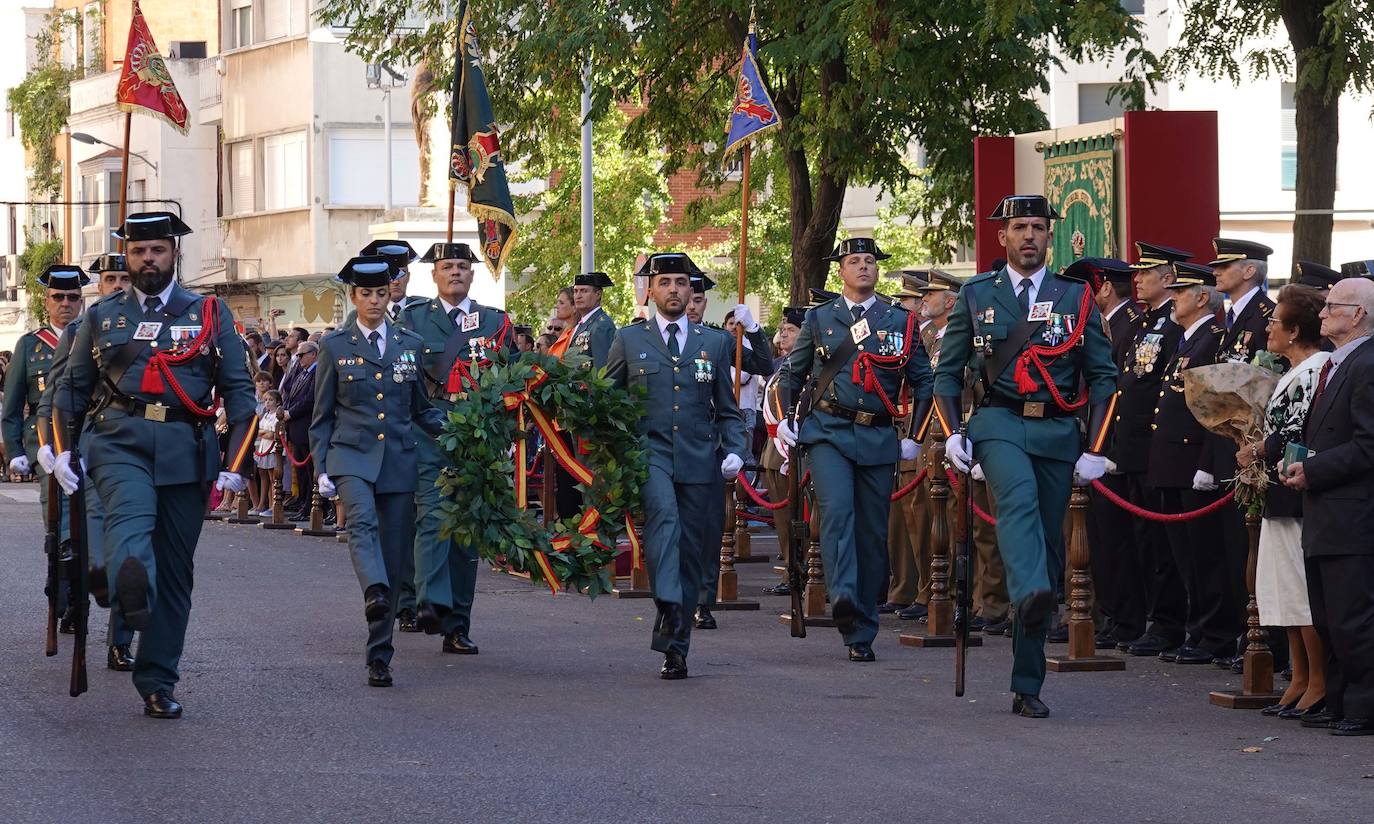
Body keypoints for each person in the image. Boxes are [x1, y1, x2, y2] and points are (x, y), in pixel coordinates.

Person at [51, 211, 257, 719]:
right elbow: (70, 392)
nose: (148, 259)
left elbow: (240, 392)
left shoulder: (209, 312)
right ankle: (123, 587)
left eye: (157, 250)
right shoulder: (100, 316)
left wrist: (235, 463)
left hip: (188, 451)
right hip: (119, 442)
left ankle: (157, 678)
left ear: (174, 254)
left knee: (175, 571)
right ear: (127, 255)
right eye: (139, 251)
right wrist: (59, 451)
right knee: (130, 525)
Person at [933, 197, 1116, 718]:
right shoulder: (975, 294)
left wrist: (1095, 450)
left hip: (1057, 430)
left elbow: (1104, 379)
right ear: (1003, 238)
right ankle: (1032, 589)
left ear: (1049, 236)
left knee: (1050, 546)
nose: (1029, 235)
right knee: (1016, 501)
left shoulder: (1075, 295)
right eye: (1020, 227)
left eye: (1038, 227)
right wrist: (952, 434)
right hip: (999, 423)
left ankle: (1026, 679)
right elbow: (948, 374)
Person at [777, 237, 934, 663]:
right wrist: (789, 422)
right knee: (837, 514)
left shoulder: (900, 321)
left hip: (879, 436)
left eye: (869, 261)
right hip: (828, 431)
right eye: (854, 261)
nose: (863, 267)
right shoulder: (820, 318)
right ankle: (843, 595)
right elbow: (793, 373)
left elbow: (924, 381)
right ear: (840, 271)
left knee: (871, 533)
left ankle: (862, 627)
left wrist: (914, 437)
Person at [604, 252, 747, 679]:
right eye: (664, 282)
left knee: (693, 554)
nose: (673, 289)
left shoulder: (715, 343)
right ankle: (668, 599)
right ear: (651, 290)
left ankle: (676, 645)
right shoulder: (629, 340)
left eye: (681, 283)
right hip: (650, 453)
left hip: (701, 459)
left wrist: (736, 449)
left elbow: (727, 409)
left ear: (691, 291)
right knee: (664, 521)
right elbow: (606, 399)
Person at [311, 255, 445, 688]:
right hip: (351, 457)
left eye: (381, 293)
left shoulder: (408, 342)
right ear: (353, 296)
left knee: (393, 554)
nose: (373, 300)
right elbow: (322, 416)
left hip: (399, 462)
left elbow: (422, 411)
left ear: (390, 295)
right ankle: (374, 590)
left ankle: (379, 654)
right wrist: (320, 468)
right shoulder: (335, 346)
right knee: (362, 524)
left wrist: (465, 433)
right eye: (365, 293)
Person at [397, 241, 514, 651]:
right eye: (447, 267)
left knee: (467, 530)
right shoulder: (412, 321)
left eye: (463, 267)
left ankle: (458, 625)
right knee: (432, 515)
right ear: (434, 275)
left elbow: (510, 379)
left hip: (478, 438)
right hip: (430, 434)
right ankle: (430, 601)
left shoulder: (493, 322)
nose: (455, 273)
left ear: (472, 274)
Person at [1281, 277, 1374, 735]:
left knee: (1352, 616)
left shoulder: (1368, 363)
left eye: (1332, 306)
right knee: (1328, 615)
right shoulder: (1341, 363)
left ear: (1357, 314)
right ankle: (1339, 701)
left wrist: (1313, 470)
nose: (1321, 314)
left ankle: (1363, 706)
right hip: (1327, 510)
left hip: (1353, 514)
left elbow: (1368, 444)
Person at [34, 255, 137, 670]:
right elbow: (54, 399)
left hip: (142, 451)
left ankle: (121, 641)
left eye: (122, 278)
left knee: (133, 547)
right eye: (109, 278)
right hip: (94, 454)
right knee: (98, 550)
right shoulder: (78, 330)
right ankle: (82, 603)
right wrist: (53, 448)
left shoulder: (162, 329)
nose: (116, 285)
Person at [1234, 284, 1329, 716]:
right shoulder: (1292, 368)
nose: (1267, 327)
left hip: (1296, 487)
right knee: (1282, 591)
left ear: (1293, 331)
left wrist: (1256, 450)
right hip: (1278, 488)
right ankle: (1298, 677)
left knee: (1300, 591)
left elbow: (1296, 431)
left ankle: (1318, 681)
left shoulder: (1315, 369)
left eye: (1274, 321)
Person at [1147, 263, 1234, 665]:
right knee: (1184, 556)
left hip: (1193, 462)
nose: (1174, 298)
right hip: (1171, 460)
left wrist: (1206, 462)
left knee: (1204, 556)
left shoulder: (1212, 340)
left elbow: (1218, 410)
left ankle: (1213, 633)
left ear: (1201, 299)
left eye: (1181, 292)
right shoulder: (1186, 341)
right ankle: (1197, 628)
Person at [1201, 237, 1276, 672]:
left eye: (1224, 265)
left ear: (1250, 271)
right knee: (1231, 550)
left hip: (1255, 448)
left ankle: (1261, 639)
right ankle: (1239, 635)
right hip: (1229, 446)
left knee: (1250, 548)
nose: (1215, 272)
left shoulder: (1266, 316)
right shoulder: (1226, 319)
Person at [1113, 242, 1189, 659]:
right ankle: (1149, 619)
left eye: (1145, 273)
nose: (1136, 280)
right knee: (1142, 542)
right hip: (1132, 447)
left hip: (1152, 446)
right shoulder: (1144, 324)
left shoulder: (1173, 325)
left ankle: (1167, 623)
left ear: (1169, 278)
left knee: (1160, 545)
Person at [690, 268, 774, 629]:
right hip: (669, 445)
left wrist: (752, 331)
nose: (690, 304)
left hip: (710, 443)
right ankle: (676, 597)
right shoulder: (647, 340)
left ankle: (702, 600)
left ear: (704, 301)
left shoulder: (718, 340)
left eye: (696, 298)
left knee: (709, 528)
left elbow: (763, 364)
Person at [7, 264, 88, 635]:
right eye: (59, 297)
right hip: (44, 448)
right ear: (47, 301)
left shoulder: (92, 337)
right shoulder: (29, 344)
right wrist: (14, 453)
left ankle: (78, 595)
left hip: (87, 443)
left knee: (88, 529)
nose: (66, 304)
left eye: (73, 297)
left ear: (82, 301)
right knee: (59, 527)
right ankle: (66, 594)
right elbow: (11, 408)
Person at [1087, 262, 1145, 649]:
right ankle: (1110, 614)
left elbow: (1128, 393)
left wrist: (1112, 449)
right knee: (1101, 540)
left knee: (1122, 543)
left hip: (1119, 449)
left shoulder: (1130, 324)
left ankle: (1126, 618)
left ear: (1105, 288)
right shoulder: (1108, 324)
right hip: (1100, 447)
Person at [879, 272, 928, 616]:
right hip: (901, 430)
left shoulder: (927, 338)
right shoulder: (917, 335)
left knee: (924, 523)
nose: (906, 306)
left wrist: (917, 436)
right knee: (902, 523)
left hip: (925, 436)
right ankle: (904, 589)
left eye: (909, 301)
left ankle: (927, 592)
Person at [280, 340, 319, 521]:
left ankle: (312, 506)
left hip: (306, 426)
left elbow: (310, 399)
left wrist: (290, 413)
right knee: (301, 471)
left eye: (302, 355)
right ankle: (303, 504)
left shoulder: (317, 372)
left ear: (314, 355)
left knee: (309, 470)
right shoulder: (301, 372)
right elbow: (289, 392)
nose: (298, 358)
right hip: (296, 427)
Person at [569, 272, 616, 369]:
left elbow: (602, 371)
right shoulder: (584, 323)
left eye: (584, 291)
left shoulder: (602, 325)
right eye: (575, 291)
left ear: (598, 294)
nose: (578, 296)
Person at [253, 390, 282, 516]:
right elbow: (258, 431)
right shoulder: (265, 415)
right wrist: (264, 432)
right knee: (263, 474)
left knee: (273, 477)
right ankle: (262, 504)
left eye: (270, 400)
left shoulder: (278, 415)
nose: (268, 403)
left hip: (273, 448)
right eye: (266, 400)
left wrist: (265, 432)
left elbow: (272, 434)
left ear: (277, 402)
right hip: (263, 448)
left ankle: (273, 504)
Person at [547, 286, 578, 357]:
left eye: (561, 303)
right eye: (557, 302)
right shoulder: (566, 332)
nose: (556, 306)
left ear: (574, 308)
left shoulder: (576, 333)